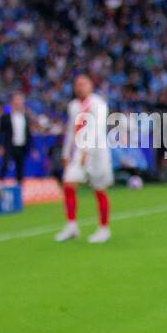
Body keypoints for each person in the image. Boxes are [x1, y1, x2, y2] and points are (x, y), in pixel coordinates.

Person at [55, 74, 113, 244]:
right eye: (77, 84)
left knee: (99, 189)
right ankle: (72, 225)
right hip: (80, 151)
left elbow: (98, 128)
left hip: (97, 151)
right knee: (69, 184)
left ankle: (104, 228)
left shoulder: (99, 104)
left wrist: (87, 149)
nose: (80, 87)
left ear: (91, 86)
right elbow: (71, 130)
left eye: (83, 84)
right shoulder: (73, 106)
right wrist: (66, 153)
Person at [0, 92, 34, 187]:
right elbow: (1, 132)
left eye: (20, 101)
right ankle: (0, 185)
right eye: (16, 100)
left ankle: (19, 188)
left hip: (21, 146)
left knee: (20, 167)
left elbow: (28, 133)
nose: (18, 103)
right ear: (12, 102)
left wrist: (31, 146)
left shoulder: (25, 117)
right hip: (9, 145)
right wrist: (0, 145)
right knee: (5, 165)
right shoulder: (5, 117)